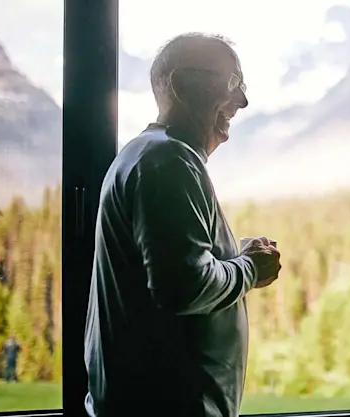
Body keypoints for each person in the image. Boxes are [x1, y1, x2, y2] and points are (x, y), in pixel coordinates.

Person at [83, 33, 282, 417]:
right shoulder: (167, 162)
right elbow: (184, 288)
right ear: (181, 85)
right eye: (233, 85)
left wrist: (234, 260)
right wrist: (250, 267)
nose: (242, 101)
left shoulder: (149, 155)